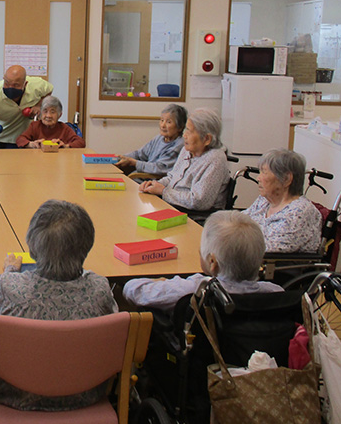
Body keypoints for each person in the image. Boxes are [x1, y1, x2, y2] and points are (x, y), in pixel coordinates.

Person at [0, 199, 118, 411]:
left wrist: (8, 270)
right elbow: (112, 316)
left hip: (16, 396)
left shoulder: (10, 287)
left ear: (33, 250)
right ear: (88, 246)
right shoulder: (100, 289)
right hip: (84, 395)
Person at [123, 211, 283, 313]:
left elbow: (132, 290)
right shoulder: (276, 294)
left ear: (212, 262)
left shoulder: (196, 289)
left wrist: (160, 281)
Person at [139, 108, 229, 211]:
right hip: (173, 206)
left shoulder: (215, 160)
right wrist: (154, 185)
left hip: (194, 217)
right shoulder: (187, 150)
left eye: (189, 132)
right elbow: (172, 177)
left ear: (207, 139)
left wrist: (163, 191)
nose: (184, 135)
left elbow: (199, 202)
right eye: (185, 130)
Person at [243, 148, 322, 253]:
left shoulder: (299, 212)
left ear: (286, 179)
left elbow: (271, 250)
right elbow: (239, 221)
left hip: (273, 266)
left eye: (264, 172)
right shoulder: (264, 201)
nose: (258, 178)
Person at [0, 65, 53, 148]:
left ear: (25, 84)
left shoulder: (36, 85)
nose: (10, 87)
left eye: (16, 85)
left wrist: (39, 105)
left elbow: (49, 90)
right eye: (7, 83)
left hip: (25, 138)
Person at [113, 104, 187, 176]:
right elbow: (140, 154)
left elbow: (159, 168)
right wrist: (122, 158)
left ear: (180, 127)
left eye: (168, 122)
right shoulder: (159, 138)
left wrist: (134, 162)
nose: (163, 125)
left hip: (153, 181)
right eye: (162, 120)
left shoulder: (178, 145)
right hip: (141, 176)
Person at [16, 95, 85, 148]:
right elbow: (20, 139)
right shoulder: (34, 126)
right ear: (41, 113)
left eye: (52, 112)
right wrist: (31, 144)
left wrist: (65, 146)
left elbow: (81, 142)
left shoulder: (64, 128)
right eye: (45, 111)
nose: (48, 115)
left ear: (59, 115)